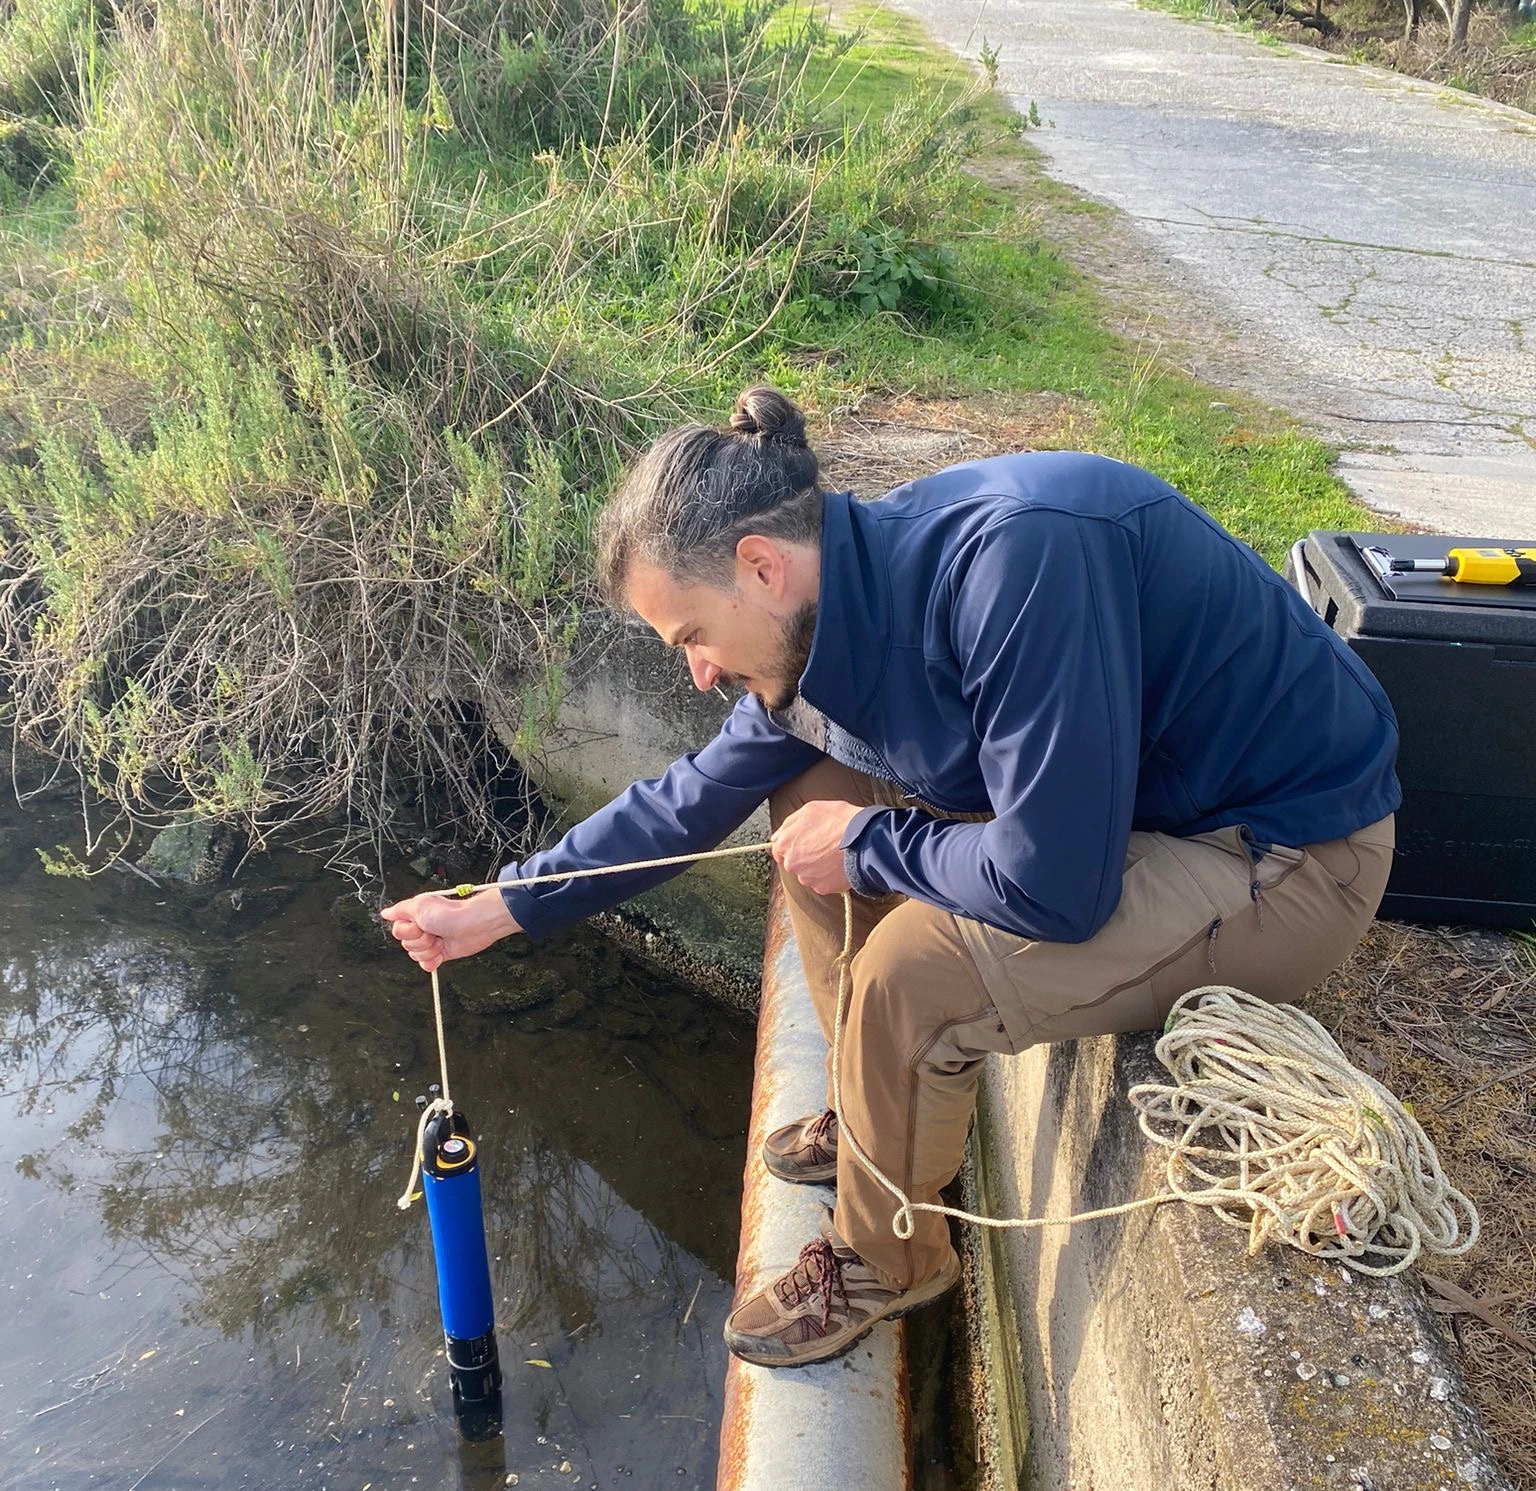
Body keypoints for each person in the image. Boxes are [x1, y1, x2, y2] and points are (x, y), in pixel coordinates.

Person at [383, 387, 1399, 1369]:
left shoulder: (1017, 563)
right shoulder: (838, 603)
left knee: (913, 968)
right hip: (1138, 810)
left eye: (691, 636)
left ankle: (887, 1257)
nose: (695, 672)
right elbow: (688, 800)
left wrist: (873, 843)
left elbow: (1057, 886)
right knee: (807, 792)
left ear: (760, 566)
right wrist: (501, 905)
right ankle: (878, 1115)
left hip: (1283, 855)